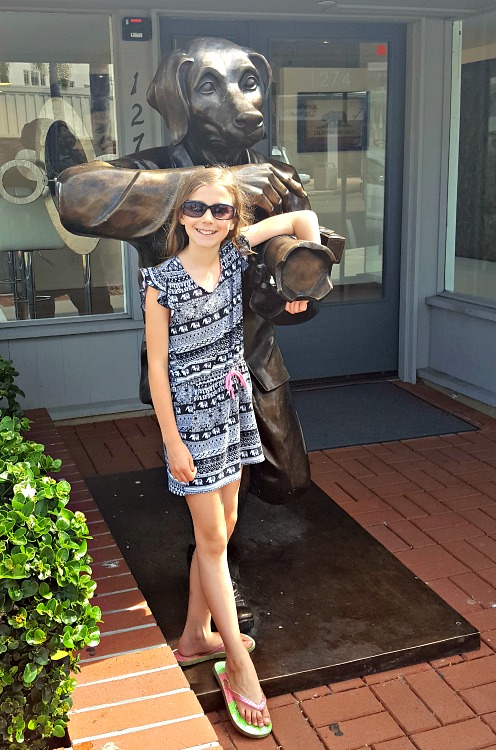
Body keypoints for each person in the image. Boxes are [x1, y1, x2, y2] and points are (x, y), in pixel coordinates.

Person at [141, 165, 320, 739]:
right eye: (196, 209)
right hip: (189, 421)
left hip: (232, 407)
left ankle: (196, 636)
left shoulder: (238, 256)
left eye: (220, 210)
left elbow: (300, 219)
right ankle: (238, 667)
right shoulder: (159, 282)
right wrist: (171, 441)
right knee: (214, 539)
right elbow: (159, 372)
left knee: (227, 524)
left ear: (233, 218)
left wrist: (302, 279)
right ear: (179, 216)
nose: (208, 220)